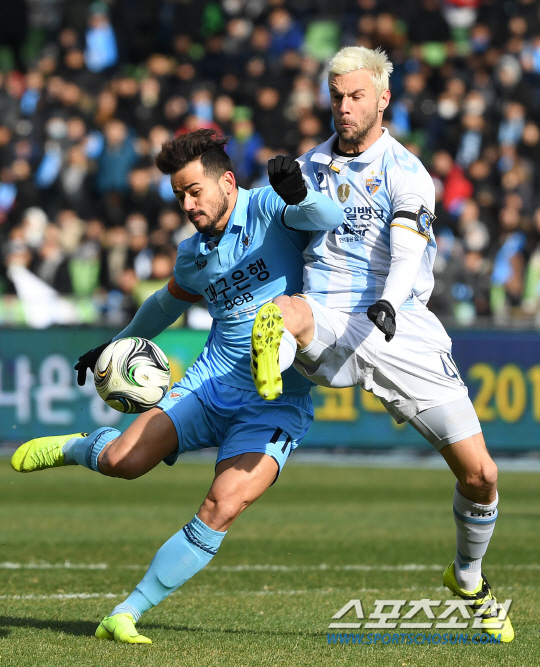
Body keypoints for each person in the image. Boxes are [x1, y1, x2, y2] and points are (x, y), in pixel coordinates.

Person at [10, 129, 342, 644]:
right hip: (209, 386)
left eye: (194, 191)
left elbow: (329, 218)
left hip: (276, 403)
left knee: (221, 507)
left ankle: (125, 613)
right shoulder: (194, 253)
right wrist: (113, 344)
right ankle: (78, 447)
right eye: (179, 195)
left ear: (226, 182)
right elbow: (165, 305)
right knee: (123, 462)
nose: (187, 205)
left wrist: (299, 192)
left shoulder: (267, 207)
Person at [250, 47, 514, 642]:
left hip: (399, 324)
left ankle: (467, 576)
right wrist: (283, 197)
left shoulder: (406, 171)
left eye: (356, 96)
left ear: (383, 99)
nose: (344, 106)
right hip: (328, 312)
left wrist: (390, 303)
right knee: (285, 313)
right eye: (337, 96)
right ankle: (274, 359)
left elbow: (407, 252)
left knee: (481, 476)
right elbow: (278, 234)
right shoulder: (310, 166)